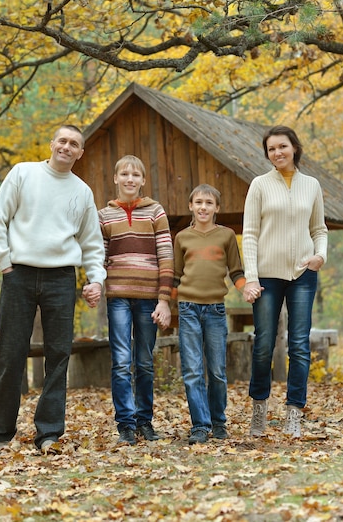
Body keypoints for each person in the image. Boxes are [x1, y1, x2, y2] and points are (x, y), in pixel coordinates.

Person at [0, 124, 106, 455]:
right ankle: (2, 433)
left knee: (58, 355)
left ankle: (49, 433)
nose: (67, 147)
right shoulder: (23, 173)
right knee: (11, 353)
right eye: (63, 141)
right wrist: (5, 264)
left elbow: (92, 243)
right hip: (19, 275)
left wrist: (96, 278)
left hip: (60, 278)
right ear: (53, 143)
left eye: (74, 144)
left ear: (80, 153)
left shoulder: (82, 192)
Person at [242, 125, 327, 439]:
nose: (277, 153)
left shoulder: (312, 185)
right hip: (267, 276)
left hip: (303, 273)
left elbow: (319, 229)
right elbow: (249, 235)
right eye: (271, 149)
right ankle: (259, 409)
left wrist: (320, 255)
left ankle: (294, 413)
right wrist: (251, 277)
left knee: (299, 345)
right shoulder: (260, 185)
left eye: (282, 147)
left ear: (294, 148)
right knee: (263, 345)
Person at [98, 155, 174, 445]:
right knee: (120, 361)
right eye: (124, 174)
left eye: (136, 175)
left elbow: (166, 257)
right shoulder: (104, 216)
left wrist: (163, 299)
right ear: (116, 179)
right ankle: (125, 425)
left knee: (143, 361)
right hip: (117, 297)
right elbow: (99, 258)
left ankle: (145, 421)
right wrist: (94, 283)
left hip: (148, 298)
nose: (130, 179)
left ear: (143, 180)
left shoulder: (155, 212)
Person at [173, 184, 246, 444]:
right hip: (188, 309)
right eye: (199, 202)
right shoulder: (182, 237)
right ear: (191, 206)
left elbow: (236, 271)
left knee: (216, 371)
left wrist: (246, 289)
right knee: (192, 370)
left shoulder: (226, 236)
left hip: (215, 310)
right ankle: (200, 425)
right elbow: (175, 276)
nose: (203, 207)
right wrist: (164, 303)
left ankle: (218, 422)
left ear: (217, 208)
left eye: (209, 203)